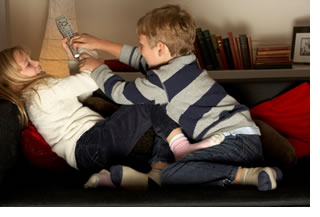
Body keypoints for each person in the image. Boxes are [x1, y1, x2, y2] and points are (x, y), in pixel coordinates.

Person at [70, 4, 283, 191]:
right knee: (164, 110)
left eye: (142, 45)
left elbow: (120, 93)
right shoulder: (186, 62)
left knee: (173, 174)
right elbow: (137, 58)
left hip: (234, 145)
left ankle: (248, 175)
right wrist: (97, 43)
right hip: (246, 139)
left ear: (160, 49)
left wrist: (98, 69)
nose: (140, 51)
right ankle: (157, 171)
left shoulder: (161, 83)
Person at [0, 39, 200, 190]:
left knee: (159, 116)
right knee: (151, 101)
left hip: (87, 154)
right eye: (27, 64)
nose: (35, 62)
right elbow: (93, 81)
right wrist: (87, 56)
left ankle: (148, 173)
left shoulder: (36, 95)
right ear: (13, 81)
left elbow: (82, 92)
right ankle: (176, 151)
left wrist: (74, 59)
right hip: (92, 143)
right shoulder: (41, 90)